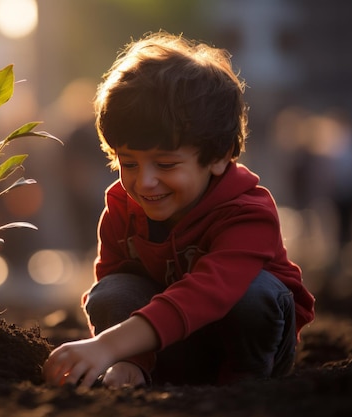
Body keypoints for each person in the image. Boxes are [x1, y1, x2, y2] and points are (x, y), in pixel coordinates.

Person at [42, 31, 316, 389]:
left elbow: (208, 293)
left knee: (255, 293)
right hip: (170, 343)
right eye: (129, 163)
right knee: (112, 290)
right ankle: (139, 369)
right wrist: (128, 356)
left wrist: (106, 345)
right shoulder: (123, 208)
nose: (144, 183)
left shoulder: (247, 212)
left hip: (249, 343)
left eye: (166, 165)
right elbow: (111, 286)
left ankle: (246, 382)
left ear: (217, 158)